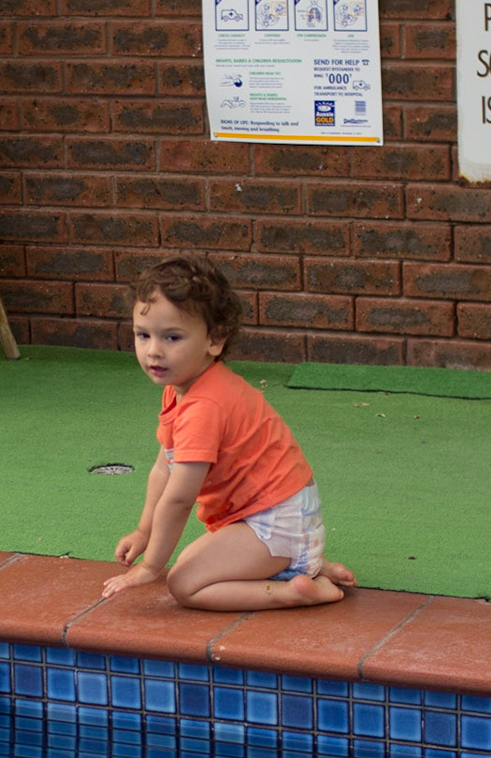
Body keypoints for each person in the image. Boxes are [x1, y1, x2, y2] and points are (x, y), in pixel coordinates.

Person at [103, 256, 355, 610]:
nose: (153, 351)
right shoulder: (183, 388)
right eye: (143, 335)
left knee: (184, 584)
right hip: (275, 516)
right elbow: (164, 468)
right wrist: (144, 531)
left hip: (275, 523)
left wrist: (150, 566)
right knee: (194, 561)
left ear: (215, 339)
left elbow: (179, 499)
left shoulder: (205, 406)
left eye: (172, 337)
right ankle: (303, 561)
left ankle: (292, 588)